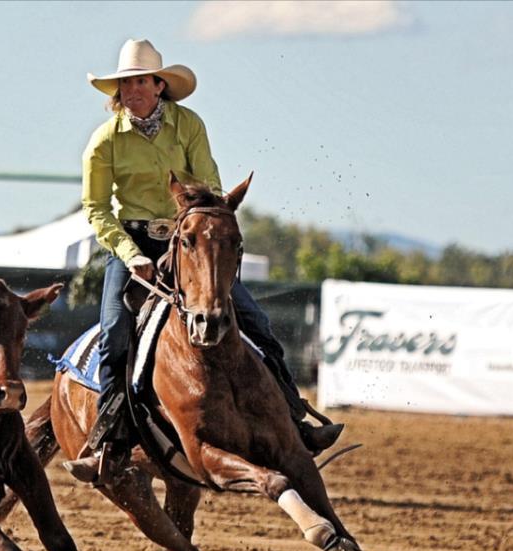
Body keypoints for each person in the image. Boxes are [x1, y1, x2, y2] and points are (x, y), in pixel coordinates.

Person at [63, 39, 342, 486]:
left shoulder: (188, 124)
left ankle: (296, 420)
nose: (131, 90)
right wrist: (132, 255)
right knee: (115, 332)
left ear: (159, 85)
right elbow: (96, 209)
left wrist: (199, 227)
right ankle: (109, 442)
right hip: (133, 243)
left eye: (139, 81)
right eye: (124, 84)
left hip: (191, 240)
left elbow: (208, 183)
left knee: (256, 322)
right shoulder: (104, 142)